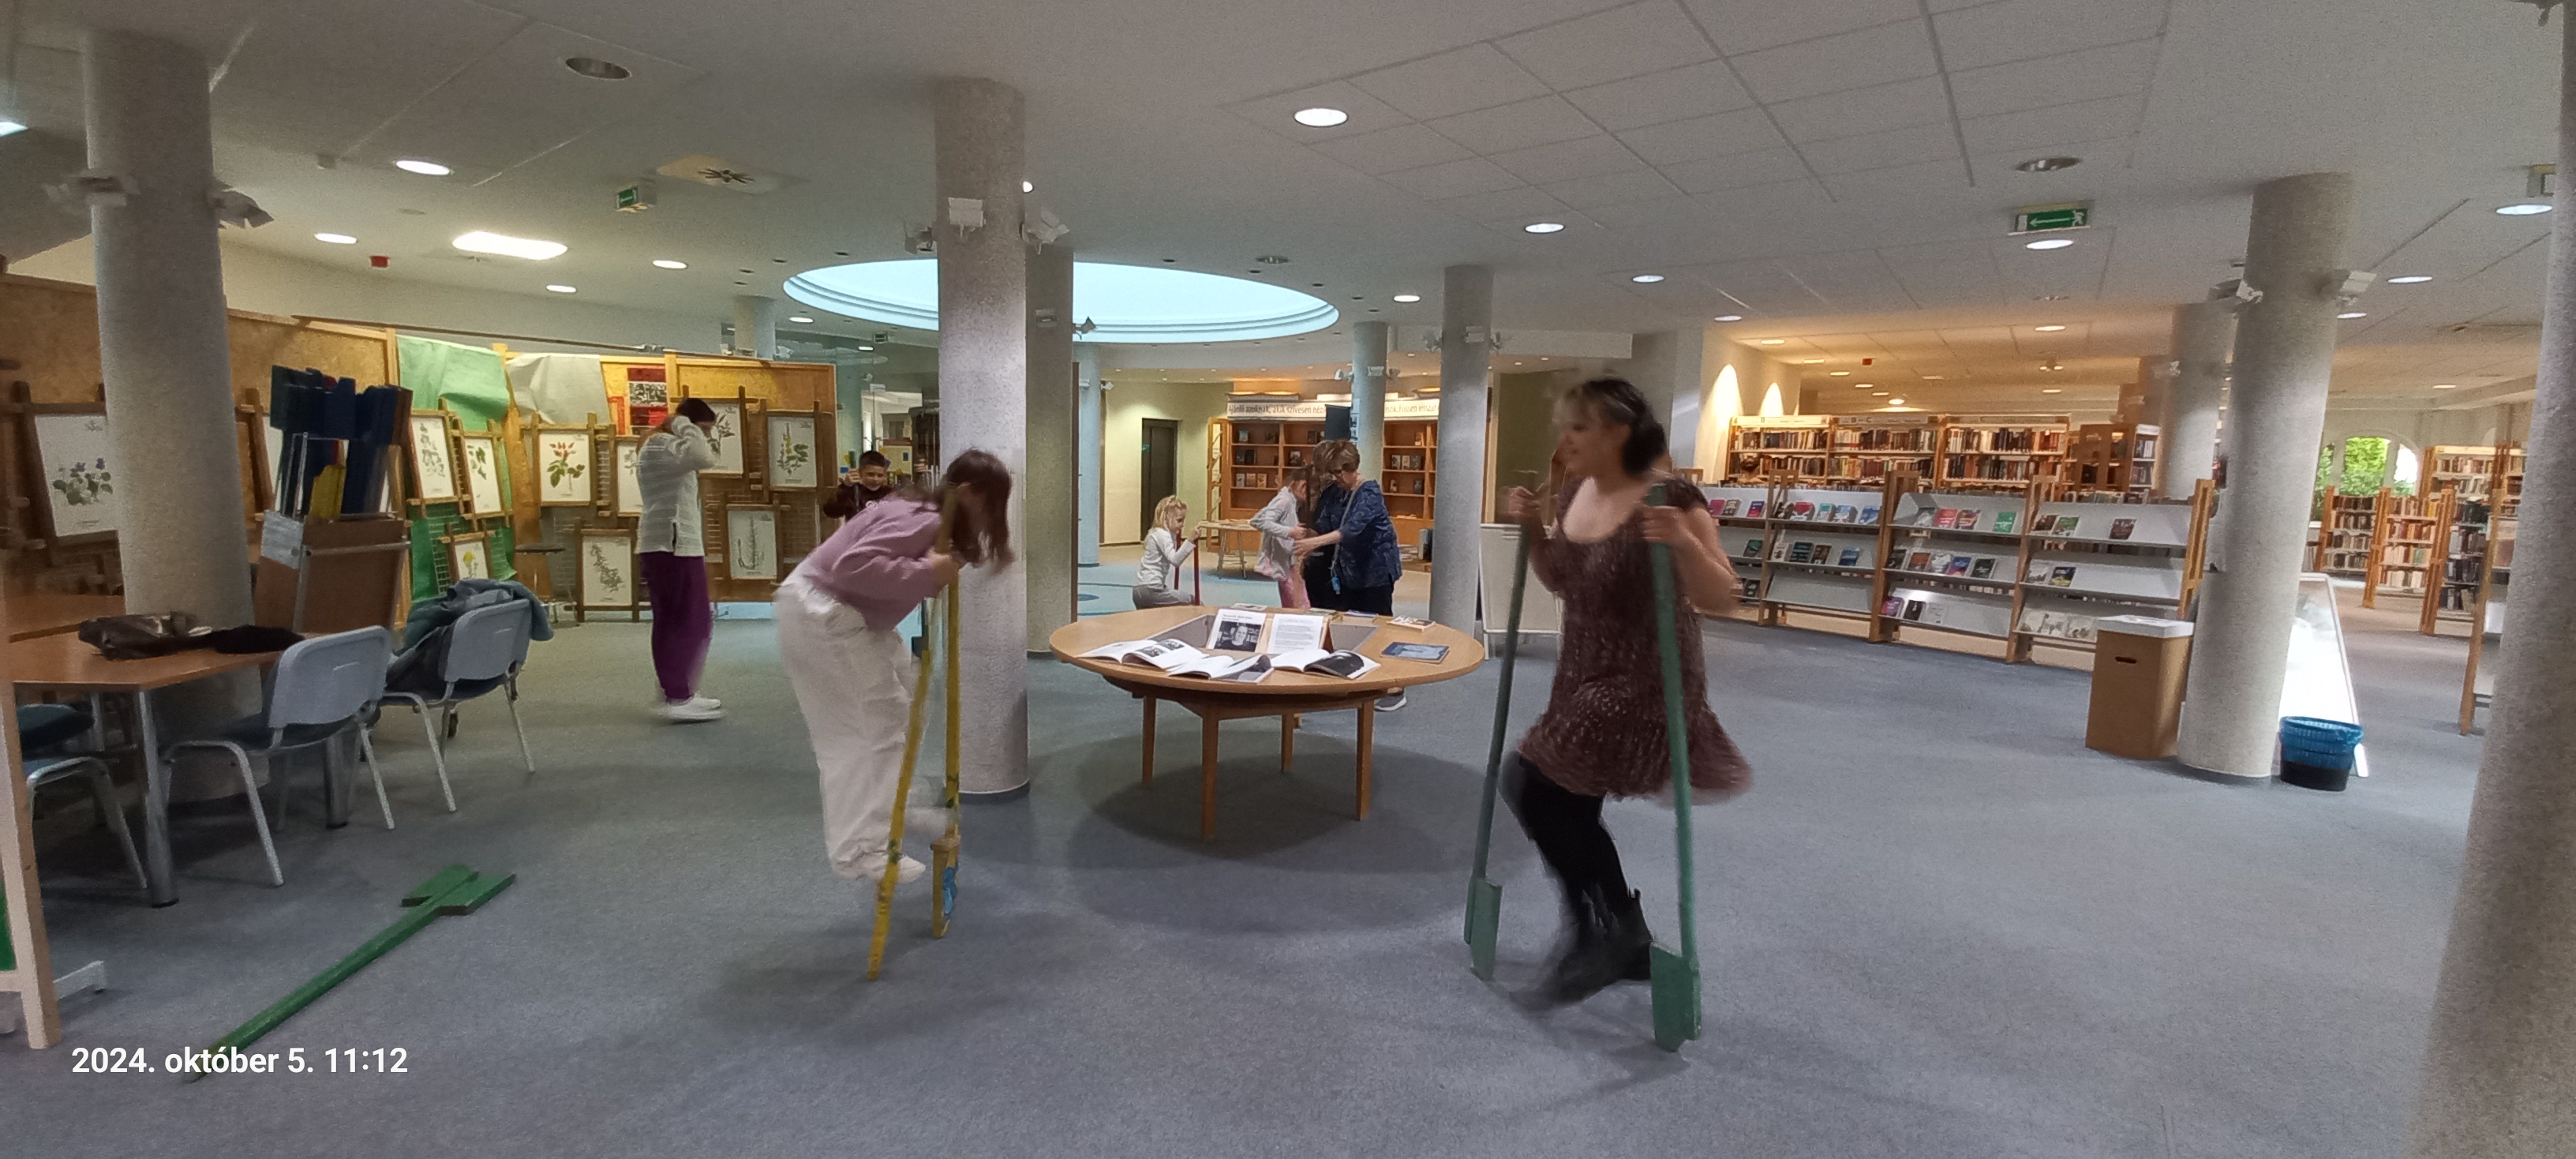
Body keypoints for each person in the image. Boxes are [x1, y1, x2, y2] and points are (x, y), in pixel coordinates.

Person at [1500, 377, 1750, 1004]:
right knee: (1569, 805)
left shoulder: (1670, 497)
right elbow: (1564, 580)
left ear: (1617, 433)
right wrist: (1532, 529)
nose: (1566, 440)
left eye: (1579, 427)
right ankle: (1620, 933)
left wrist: (1683, 541)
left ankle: (1597, 930)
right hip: (1582, 670)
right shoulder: (1576, 493)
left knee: (1531, 782)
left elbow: (1724, 595)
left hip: (1645, 680)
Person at [776, 449, 1014, 884]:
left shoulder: (922, 510)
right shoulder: (924, 517)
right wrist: (928, 571)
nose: (992, 515)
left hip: (851, 615)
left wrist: (936, 566)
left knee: (909, 703)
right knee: (864, 735)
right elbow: (854, 566)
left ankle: (891, 808)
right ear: (966, 492)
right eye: (991, 502)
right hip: (826, 611)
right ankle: (861, 849)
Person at [635, 397, 723, 722]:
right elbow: (704, 457)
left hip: (676, 544)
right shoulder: (661, 444)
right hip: (669, 544)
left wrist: (688, 427)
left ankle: (679, 689)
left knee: (690, 619)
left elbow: (705, 455)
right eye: (704, 429)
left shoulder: (669, 447)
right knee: (681, 620)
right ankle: (676, 696)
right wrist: (683, 422)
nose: (706, 436)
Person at [1247, 472, 1311, 608]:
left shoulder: (1291, 501)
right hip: (1285, 561)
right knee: (1300, 603)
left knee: (1293, 601)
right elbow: (1260, 521)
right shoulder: (1284, 500)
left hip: (1289, 560)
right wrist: (1289, 531)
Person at [1298, 457, 1347, 611]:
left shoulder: (1342, 491)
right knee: (1316, 606)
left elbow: (1346, 530)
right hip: (1316, 556)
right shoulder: (1325, 491)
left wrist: (1312, 542)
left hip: (1334, 559)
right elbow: (1321, 523)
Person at [1132, 495, 1196, 608]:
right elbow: (1175, 560)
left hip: (1141, 590)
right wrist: (1190, 540)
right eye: (1179, 520)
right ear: (1167, 519)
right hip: (1151, 590)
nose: (1182, 524)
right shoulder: (1163, 535)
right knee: (1193, 601)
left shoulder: (1156, 533)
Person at [822, 450, 895, 523]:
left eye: (880, 475)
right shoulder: (852, 491)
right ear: (859, 472)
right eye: (870, 474)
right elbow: (831, 512)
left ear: (885, 475)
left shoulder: (891, 493)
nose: (875, 479)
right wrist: (845, 486)